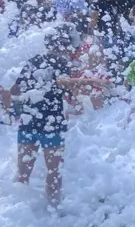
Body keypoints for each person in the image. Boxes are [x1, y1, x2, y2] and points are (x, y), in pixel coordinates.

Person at [8, 27, 109, 207]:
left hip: (29, 121)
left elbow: (16, 90)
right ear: (63, 46)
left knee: (23, 172)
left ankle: (17, 210)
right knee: (54, 171)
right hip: (52, 123)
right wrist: (90, 82)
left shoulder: (32, 61)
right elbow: (63, 83)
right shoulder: (60, 62)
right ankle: (54, 209)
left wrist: (15, 109)